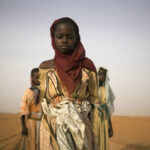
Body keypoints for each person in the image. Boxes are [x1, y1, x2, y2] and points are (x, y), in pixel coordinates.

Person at [39, 17, 106, 150]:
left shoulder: (87, 66)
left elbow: (94, 99)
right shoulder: (45, 68)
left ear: (76, 38)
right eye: (60, 36)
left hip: (81, 127)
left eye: (69, 36)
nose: (64, 40)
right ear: (53, 39)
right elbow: (43, 100)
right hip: (53, 125)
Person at [20, 68, 42, 150]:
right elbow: (23, 112)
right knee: (31, 145)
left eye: (39, 77)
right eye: (35, 77)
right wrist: (23, 127)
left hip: (42, 123)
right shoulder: (27, 92)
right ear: (31, 78)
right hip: (30, 123)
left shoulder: (43, 92)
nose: (38, 79)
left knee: (41, 144)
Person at [97, 67, 115, 139]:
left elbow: (107, 107)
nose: (102, 76)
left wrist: (110, 126)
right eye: (100, 74)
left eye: (104, 74)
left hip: (105, 118)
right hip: (94, 118)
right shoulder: (93, 88)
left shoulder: (107, 89)